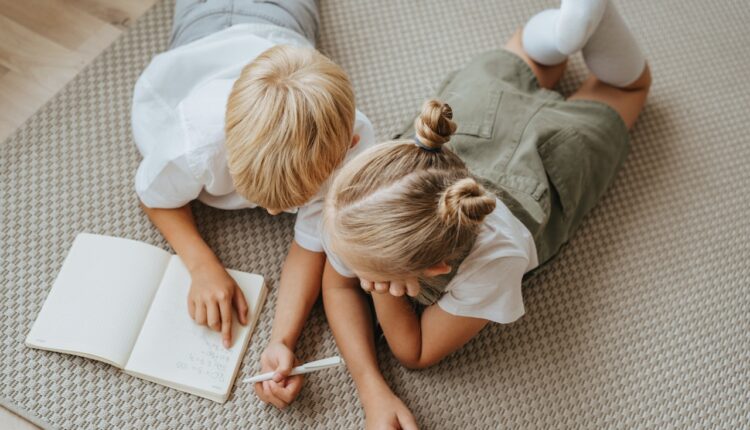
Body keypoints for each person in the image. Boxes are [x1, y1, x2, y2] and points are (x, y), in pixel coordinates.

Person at [321, 0, 651, 428]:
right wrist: (370, 386)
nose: (344, 265)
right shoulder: (359, 205)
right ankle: (561, 33)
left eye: (369, 275)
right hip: (476, 118)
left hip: (549, 159)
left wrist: (384, 291)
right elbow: (337, 286)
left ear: (436, 268)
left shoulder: (495, 260)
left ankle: (577, 28)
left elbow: (414, 351)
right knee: (525, 55)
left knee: (628, 89)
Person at [131, 0, 375, 409]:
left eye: (289, 203)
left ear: (347, 147)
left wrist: (283, 340)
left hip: (287, 21)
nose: (275, 214)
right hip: (206, 24)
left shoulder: (355, 145)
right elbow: (153, 196)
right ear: (227, 146)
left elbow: (311, 244)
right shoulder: (195, 141)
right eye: (262, 199)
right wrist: (201, 264)